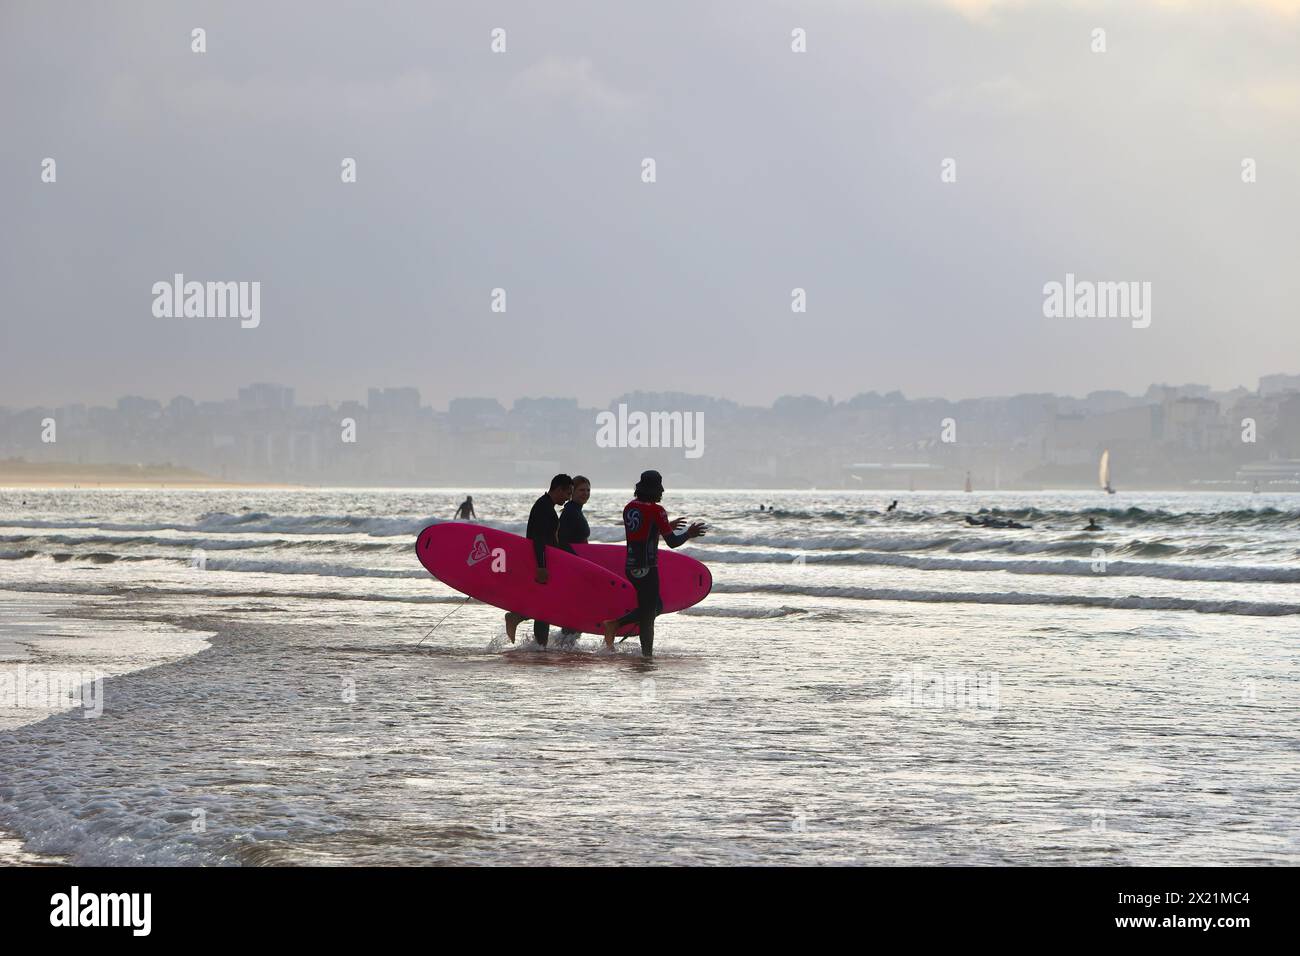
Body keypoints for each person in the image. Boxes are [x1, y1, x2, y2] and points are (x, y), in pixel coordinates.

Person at [600, 470, 706, 657]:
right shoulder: (656, 510)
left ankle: (621, 628)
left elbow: (642, 533)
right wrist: (689, 533)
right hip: (647, 567)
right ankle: (643, 653)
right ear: (652, 488)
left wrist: (663, 526)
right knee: (649, 614)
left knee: (654, 606)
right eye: (659, 487)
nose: (662, 491)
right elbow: (672, 542)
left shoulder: (630, 507)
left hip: (631, 566)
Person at [504, 475, 573, 646]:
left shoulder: (546, 505)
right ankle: (536, 641)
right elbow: (539, 540)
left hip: (545, 561)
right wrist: (541, 566)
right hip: (541, 562)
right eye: (567, 493)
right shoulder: (544, 508)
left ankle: (538, 643)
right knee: (545, 607)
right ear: (558, 489)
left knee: (545, 605)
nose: (568, 497)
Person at [556, 476, 592, 643]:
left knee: (576, 610)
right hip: (572, 567)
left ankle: (564, 643)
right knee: (576, 610)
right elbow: (562, 541)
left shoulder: (575, 510)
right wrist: (578, 562)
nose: (585, 493)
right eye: (581, 490)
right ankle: (565, 645)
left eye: (588, 490)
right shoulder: (571, 512)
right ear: (572, 492)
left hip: (576, 566)